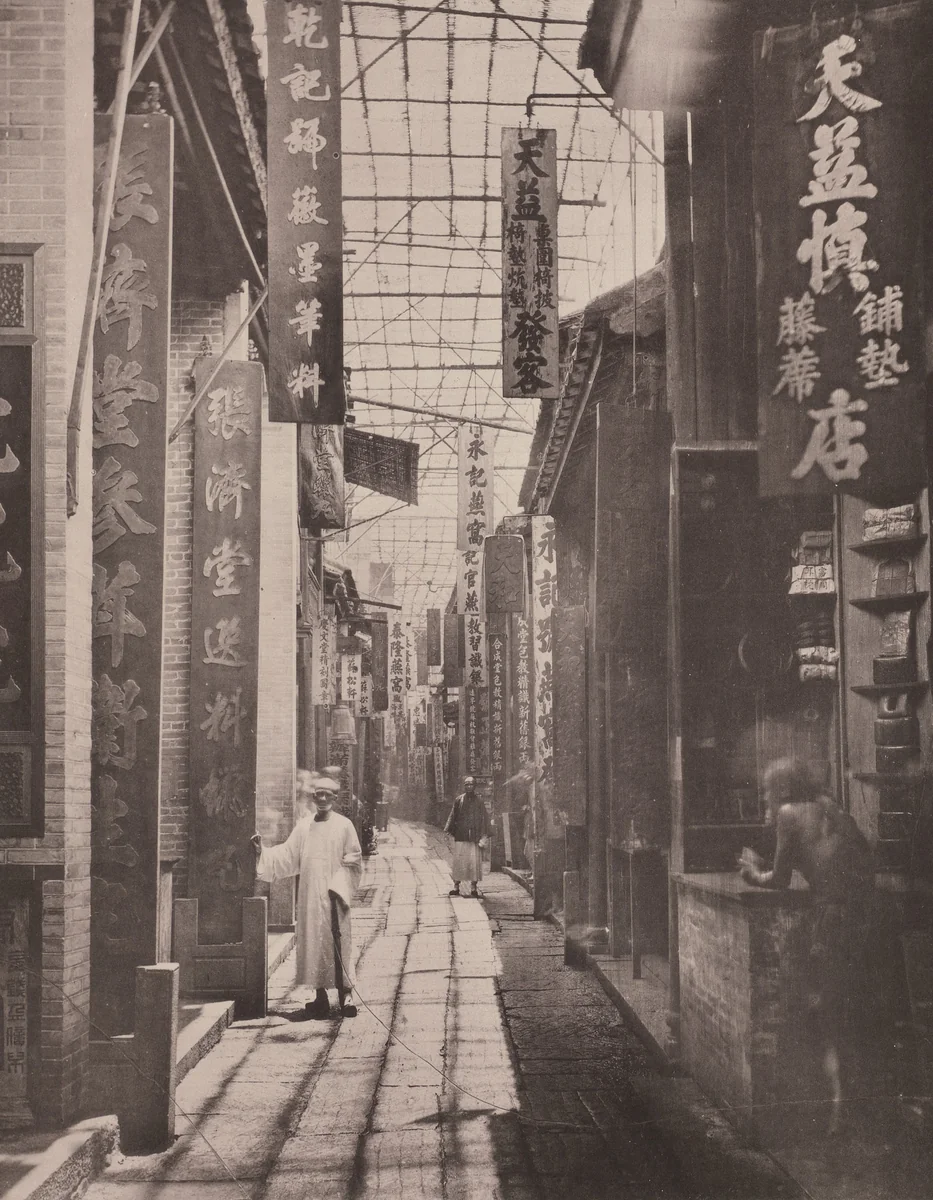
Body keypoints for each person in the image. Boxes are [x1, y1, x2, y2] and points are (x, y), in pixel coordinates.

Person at [739, 757, 874, 1134]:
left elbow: (780, 880)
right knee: (847, 1009)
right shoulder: (829, 807)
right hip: (865, 915)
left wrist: (752, 873)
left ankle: (839, 1114)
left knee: (826, 1014)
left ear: (781, 791)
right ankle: (848, 1106)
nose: (764, 798)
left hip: (834, 920)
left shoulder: (787, 812)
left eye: (766, 790)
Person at [252, 767, 362, 1019]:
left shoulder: (345, 826)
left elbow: (353, 860)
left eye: (327, 795)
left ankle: (346, 995)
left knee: (340, 941)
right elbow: (288, 855)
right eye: (318, 795)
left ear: (334, 799)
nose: (322, 799)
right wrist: (263, 853)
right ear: (314, 798)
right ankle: (321, 996)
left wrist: (339, 886)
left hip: (336, 897)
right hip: (311, 896)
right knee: (314, 944)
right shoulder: (303, 828)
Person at [444, 776, 490, 898]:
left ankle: (473, 887)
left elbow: (484, 818)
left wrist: (484, 833)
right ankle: (456, 886)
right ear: (464, 786)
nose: (469, 786)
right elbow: (453, 815)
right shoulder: (459, 800)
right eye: (467, 784)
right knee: (459, 861)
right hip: (461, 834)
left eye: (471, 784)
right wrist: (448, 829)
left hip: (474, 835)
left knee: (474, 862)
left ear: (474, 786)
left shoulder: (479, 801)